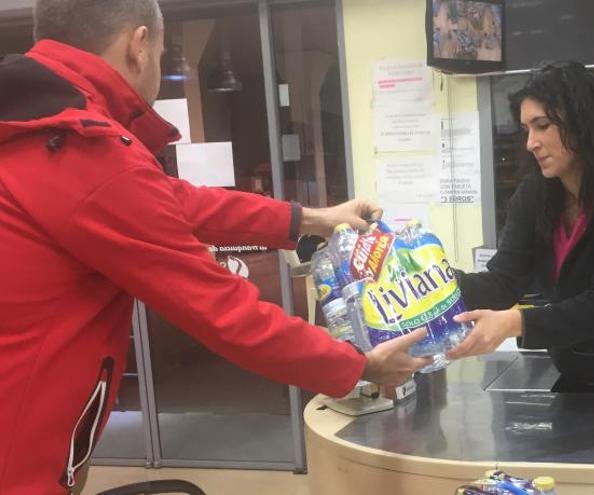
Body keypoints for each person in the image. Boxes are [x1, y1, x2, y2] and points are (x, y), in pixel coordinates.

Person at [0, 1, 430, 493]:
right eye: (164, 54)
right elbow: (222, 312)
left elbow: (176, 202)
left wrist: (312, 218)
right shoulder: (80, 147)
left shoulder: (33, 125)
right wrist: (359, 365)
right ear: (138, 45)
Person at [447, 61, 594, 393]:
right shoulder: (534, 196)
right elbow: (502, 282)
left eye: (542, 126)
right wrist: (433, 284)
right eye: (526, 129)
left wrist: (516, 322)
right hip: (579, 372)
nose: (530, 143)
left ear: (582, 123)